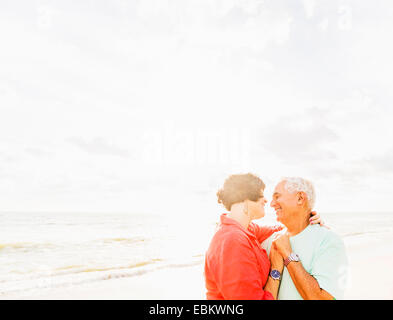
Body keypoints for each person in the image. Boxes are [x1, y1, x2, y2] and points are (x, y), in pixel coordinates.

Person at [204, 173, 323, 300]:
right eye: (261, 195)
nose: (266, 201)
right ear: (245, 200)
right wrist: (275, 269)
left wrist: (308, 219)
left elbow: (280, 229)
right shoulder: (233, 241)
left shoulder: (246, 229)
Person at [262, 177, 349, 300]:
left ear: (300, 198)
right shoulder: (269, 241)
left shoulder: (328, 241)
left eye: (277, 197)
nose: (271, 204)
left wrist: (288, 254)